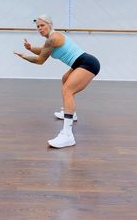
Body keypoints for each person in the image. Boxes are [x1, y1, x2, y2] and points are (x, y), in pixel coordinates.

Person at [14, 14, 100, 148]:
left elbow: (40, 60)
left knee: (67, 90)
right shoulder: (51, 39)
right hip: (81, 63)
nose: (40, 29)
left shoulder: (53, 38)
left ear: (50, 25)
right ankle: (72, 113)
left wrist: (24, 56)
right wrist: (30, 48)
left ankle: (67, 135)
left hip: (88, 63)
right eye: (38, 27)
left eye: (42, 25)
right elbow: (44, 51)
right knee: (65, 79)